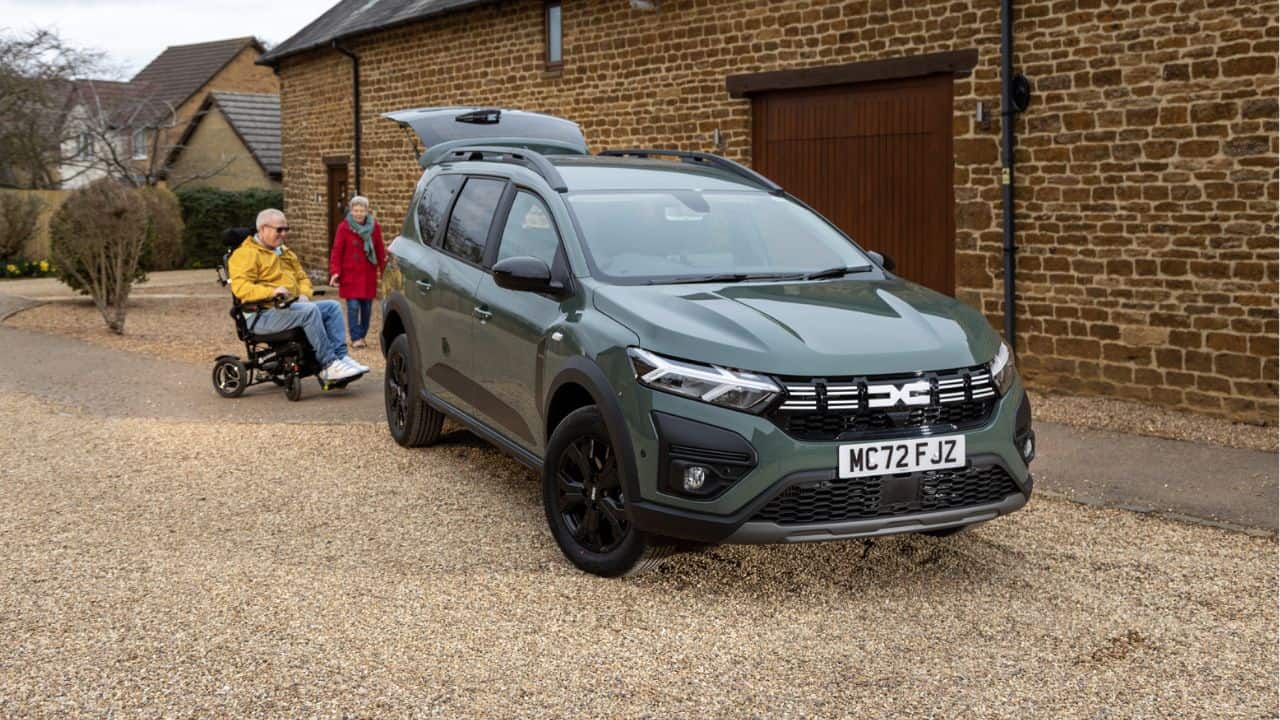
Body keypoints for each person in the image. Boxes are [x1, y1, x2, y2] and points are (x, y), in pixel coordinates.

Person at [227, 208, 369, 384]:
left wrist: (304, 293)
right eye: (279, 230)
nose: (284, 234)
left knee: (332, 307)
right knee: (309, 311)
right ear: (263, 229)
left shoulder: (284, 252)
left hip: (289, 308)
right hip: (261, 315)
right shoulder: (245, 254)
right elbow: (241, 288)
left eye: (286, 229)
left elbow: (302, 278)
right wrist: (271, 292)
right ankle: (329, 365)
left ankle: (341, 358)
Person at [328, 195, 387, 348]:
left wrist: (384, 270)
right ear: (351, 211)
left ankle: (362, 334)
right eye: (356, 210)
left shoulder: (375, 227)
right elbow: (337, 251)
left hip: (368, 274)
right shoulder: (344, 227)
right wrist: (335, 271)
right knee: (353, 307)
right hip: (350, 274)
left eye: (362, 210)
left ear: (367, 211)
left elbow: (380, 250)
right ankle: (355, 338)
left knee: (367, 308)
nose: (359, 213)